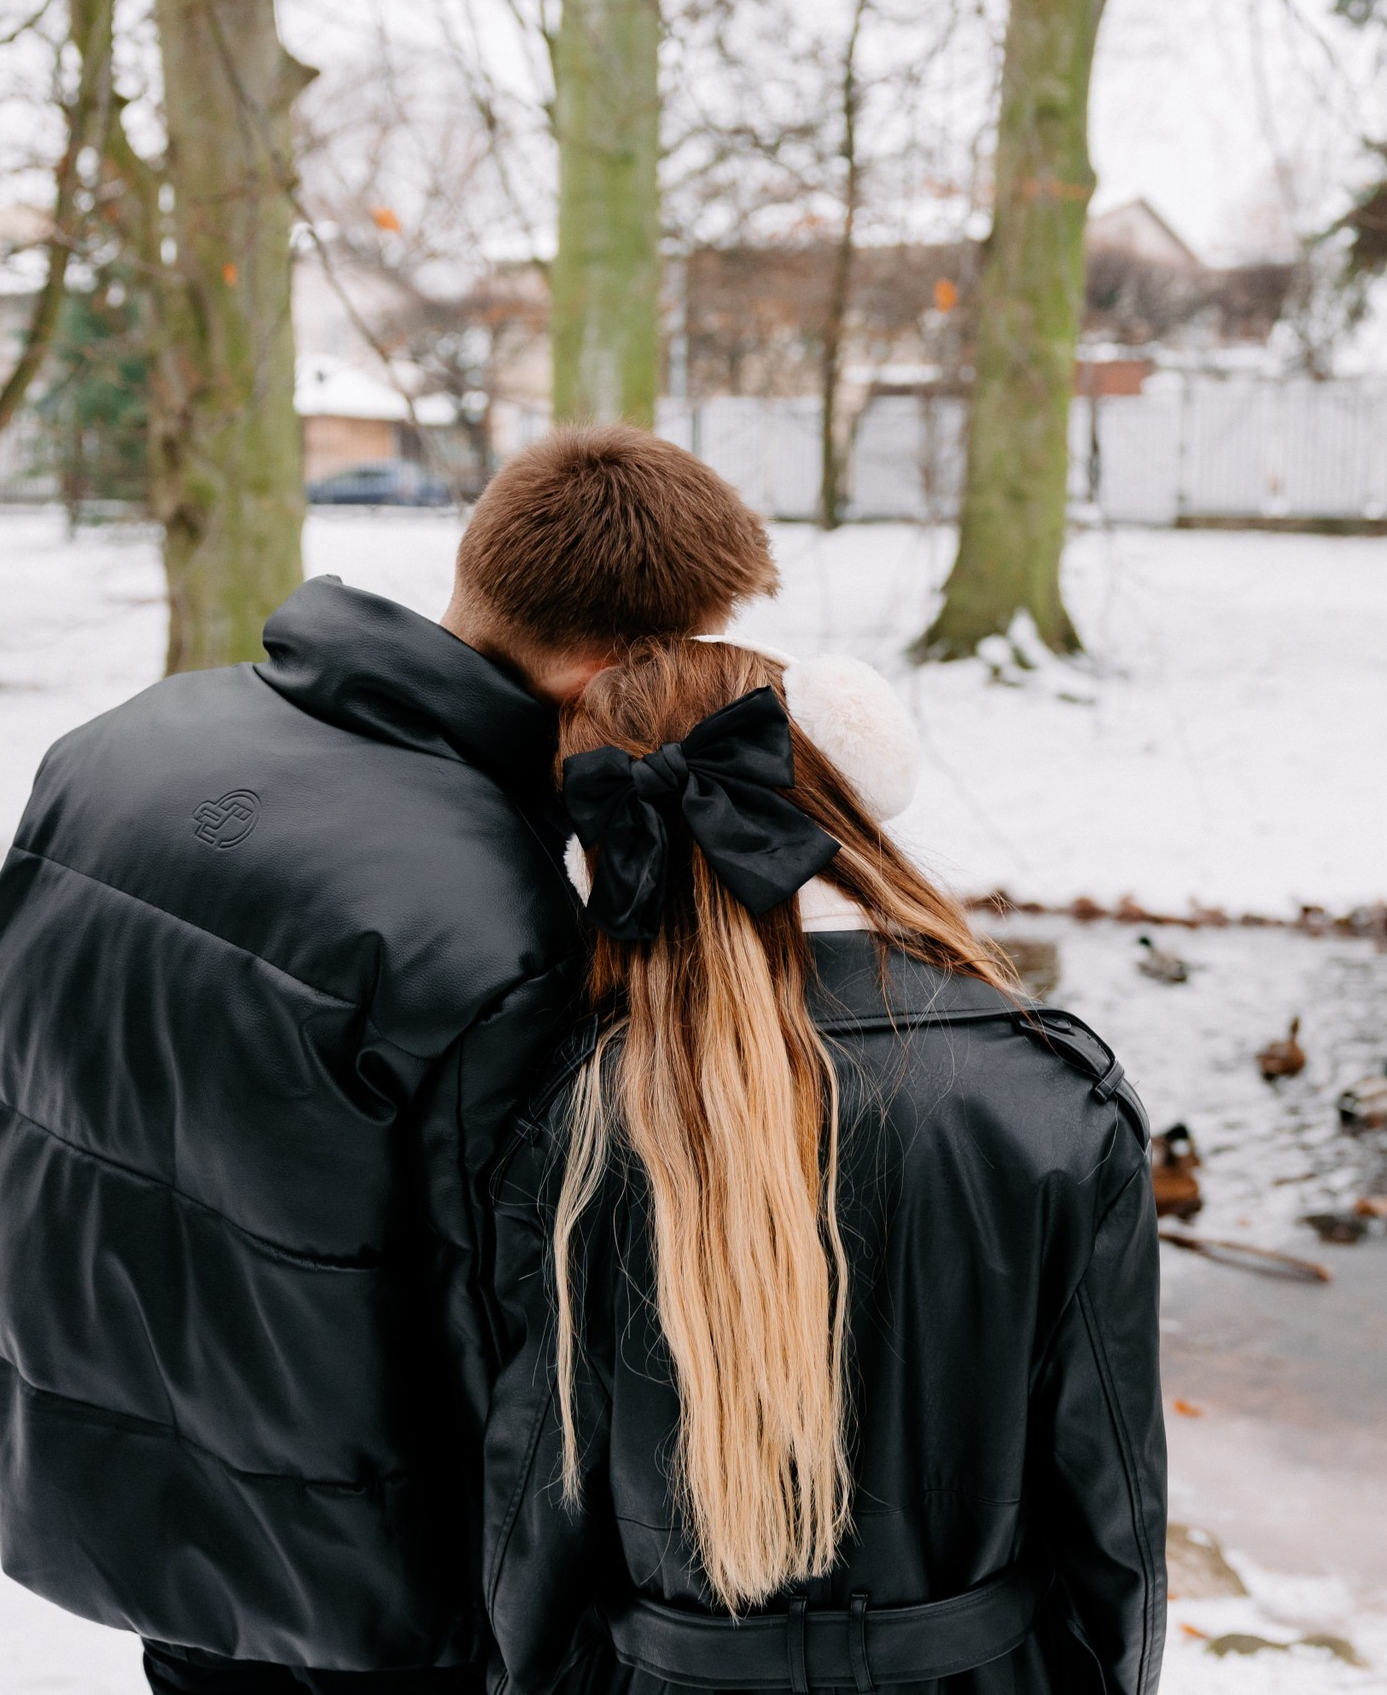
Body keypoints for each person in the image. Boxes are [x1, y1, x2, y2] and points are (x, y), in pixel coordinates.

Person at [0, 428, 781, 1693]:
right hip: (359, 1577)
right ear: (618, 669)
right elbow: (506, 1321)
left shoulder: (114, 746)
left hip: (122, 1491)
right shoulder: (494, 919)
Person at [479, 638, 1166, 1695]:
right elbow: (1113, 1502)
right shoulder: (1053, 1103)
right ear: (847, 793)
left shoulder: (577, 1120)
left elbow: (537, 1499)